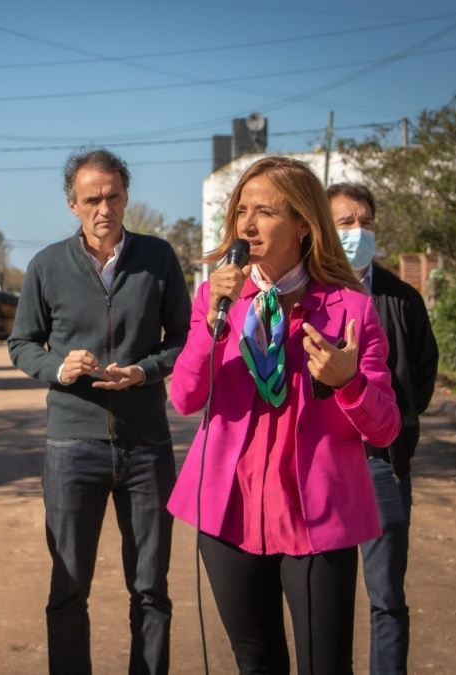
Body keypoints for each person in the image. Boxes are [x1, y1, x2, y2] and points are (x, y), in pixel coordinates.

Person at [167, 156, 401, 675]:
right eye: (241, 211)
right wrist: (211, 327)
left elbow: (386, 427)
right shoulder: (214, 298)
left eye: (265, 211)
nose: (246, 225)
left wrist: (349, 382)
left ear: (302, 224)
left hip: (315, 516)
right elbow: (183, 398)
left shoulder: (350, 309)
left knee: (326, 665)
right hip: (229, 509)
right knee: (257, 663)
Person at [8, 148, 192, 674]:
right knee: (68, 588)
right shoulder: (46, 266)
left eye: (113, 196)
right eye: (91, 199)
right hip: (72, 447)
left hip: (146, 444)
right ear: (72, 204)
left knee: (151, 588)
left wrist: (147, 370)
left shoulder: (158, 258)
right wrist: (59, 370)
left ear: (127, 196)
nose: (103, 207)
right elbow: (22, 344)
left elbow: (185, 337)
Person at [327, 182, 439, 674]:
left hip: (382, 466)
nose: (357, 232)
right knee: (324, 600)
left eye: (365, 222)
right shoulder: (308, 297)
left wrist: (396, 425)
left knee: (387, 597)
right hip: (323, 467)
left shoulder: (403, 298)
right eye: (345, 223)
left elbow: (422, 374)